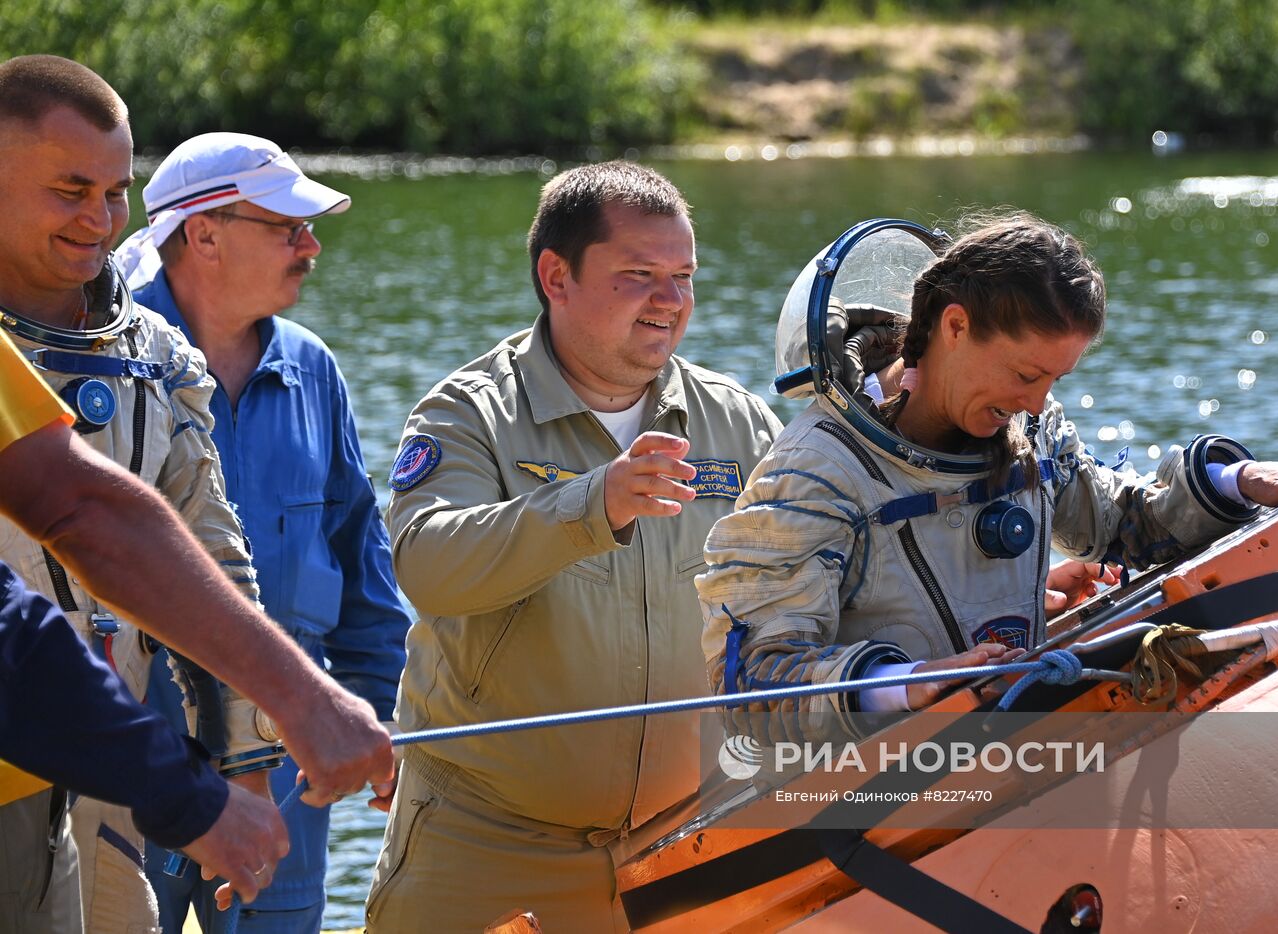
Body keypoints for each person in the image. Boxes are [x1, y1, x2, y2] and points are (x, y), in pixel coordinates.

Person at [696, 212, 1278, 726]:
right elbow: (755, 679)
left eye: (1055, 379)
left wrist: (1231, 482)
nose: (1039, 402)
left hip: (1009, 765)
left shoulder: (1030, 427)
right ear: (954, 327)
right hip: (870, 812)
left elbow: (1127, 527)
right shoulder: (816, 472)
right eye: (1025, 374)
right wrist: (912, 682)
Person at [0, 54, 391, 932]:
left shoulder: (152, 355)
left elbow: (213, 555)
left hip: (118, 770)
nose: (99, 220)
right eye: (71, 191)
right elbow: (85, 515)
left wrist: (248, 756)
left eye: (114, 194)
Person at [364, 161, 784, 931]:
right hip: (486, 848)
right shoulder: (467, 414)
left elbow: (820, 579)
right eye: (639, 275)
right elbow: (428, 565)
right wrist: (592, 503)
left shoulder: (743, 423)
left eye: (683, 276)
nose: (671, 300)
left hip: (687, 851)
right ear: (556, 276)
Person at [114, 132, 412, 934]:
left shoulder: (314, 368)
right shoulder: (106, 361)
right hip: (131, 765)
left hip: (289, 775)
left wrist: (381, 717)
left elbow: (361, 562)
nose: (311, 245)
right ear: (204, 233)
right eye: (287, 226)